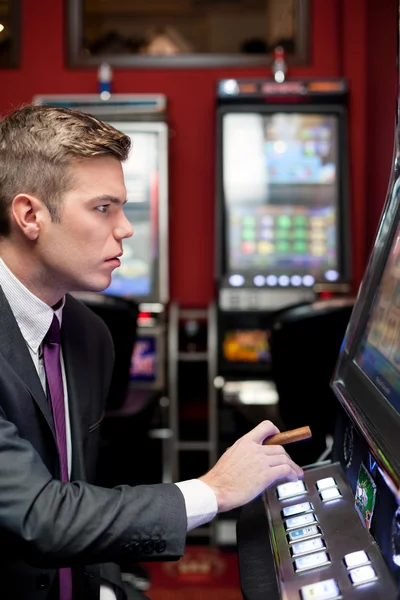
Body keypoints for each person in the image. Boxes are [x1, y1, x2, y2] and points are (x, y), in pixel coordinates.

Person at [0, 104, 303, 600]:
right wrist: (215, 489)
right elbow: (41, 516)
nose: (126, 228)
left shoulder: (89, 334)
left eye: (123, 207)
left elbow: (82, 501)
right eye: (103, 208)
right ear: (30, 215)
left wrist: (107, 589)